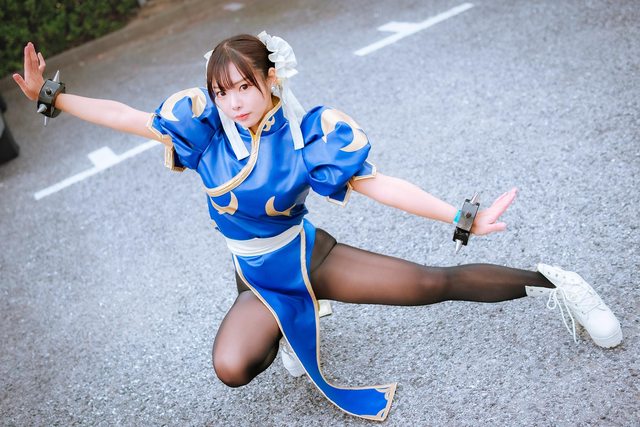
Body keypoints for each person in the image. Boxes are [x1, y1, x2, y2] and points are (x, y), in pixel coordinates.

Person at [13, 33, 622, 421]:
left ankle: (556, 283)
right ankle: (290, 323)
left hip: (308, 255)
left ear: (270, 80)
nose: (234, 102)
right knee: (232, 368)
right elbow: (125, 116)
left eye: (245, 87)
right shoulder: (203, 133)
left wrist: (464, 216)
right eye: (222, 92)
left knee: (430, 284)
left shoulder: (306, 139)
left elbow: (381, 184)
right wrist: (52, 97)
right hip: (256, 277)